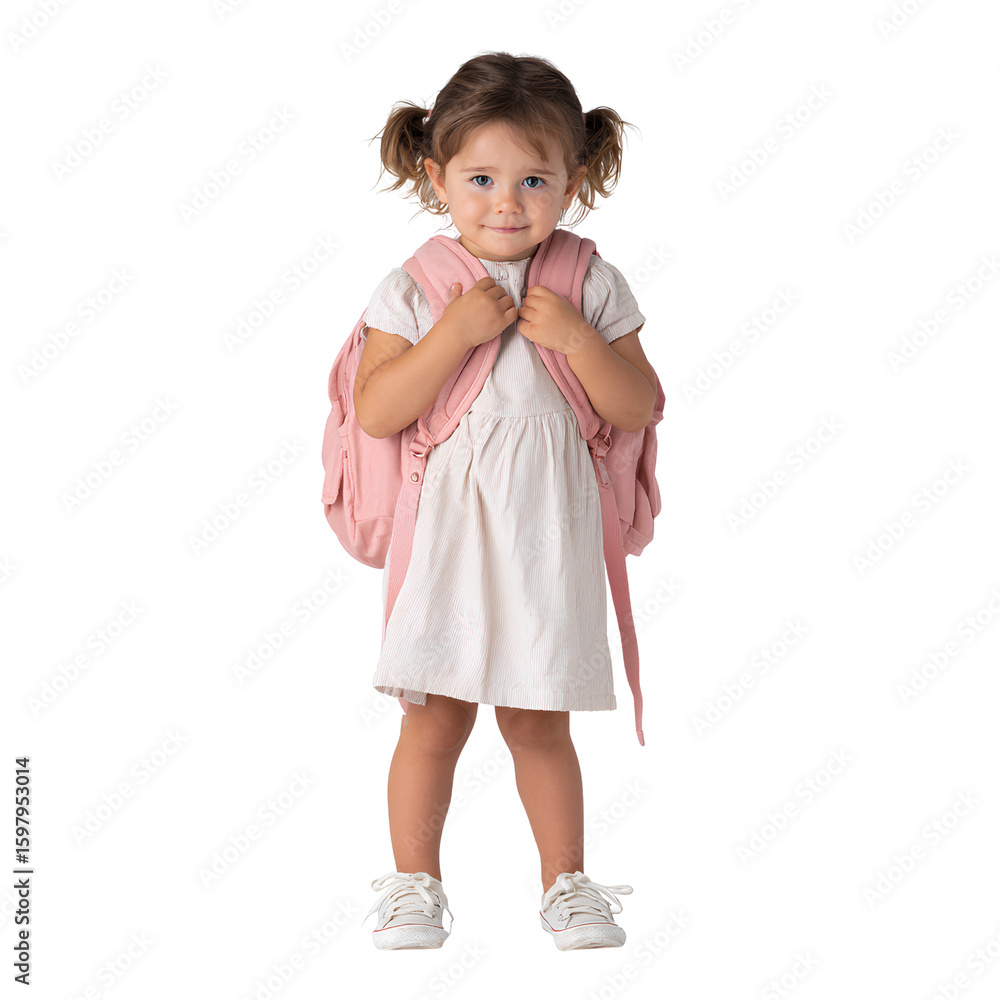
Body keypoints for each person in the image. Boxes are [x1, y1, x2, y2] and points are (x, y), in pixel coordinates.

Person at [355, 51, 657, 952]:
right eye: (481, 179)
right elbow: (378, 410)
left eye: (534, 179)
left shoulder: (590, 283)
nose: (507, 203)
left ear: (576, 179)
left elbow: (638, 405)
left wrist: (578, 340)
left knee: (538, 718)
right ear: (435, 174)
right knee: (433, 718)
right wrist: (451, 334)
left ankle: (567, 884)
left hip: (546, 538)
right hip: (447, 540)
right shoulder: (415, 288)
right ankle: (414, 886)